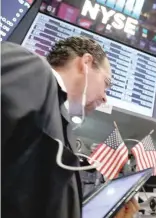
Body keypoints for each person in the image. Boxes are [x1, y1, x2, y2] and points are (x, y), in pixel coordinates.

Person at [1, 37, 138, 218]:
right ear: (86, 63)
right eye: (106, 83)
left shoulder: (59, 121)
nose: (105, 98)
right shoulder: (32, 67)